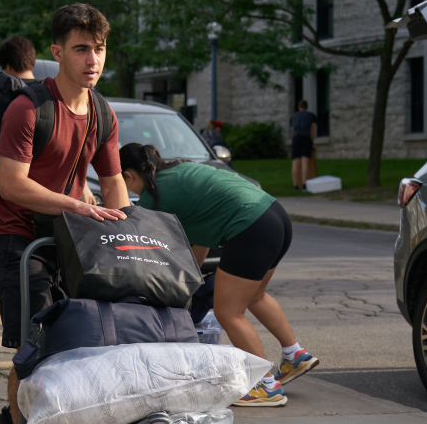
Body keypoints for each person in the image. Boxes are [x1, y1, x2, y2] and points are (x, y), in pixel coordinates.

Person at [0, 4, 131, 424]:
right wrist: (75, 206)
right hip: (16, 239)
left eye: (100, 48)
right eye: (81, 48)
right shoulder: (28, 109)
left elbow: (113, 186)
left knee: (78, 339)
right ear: (57, 52)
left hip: (65, 239)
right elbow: (12, 184)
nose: (93, 59)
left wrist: (129, 236)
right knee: (36, 345)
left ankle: (14, 418)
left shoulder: (102, 111)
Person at [119, 143, 320, 407]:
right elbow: (201, 235)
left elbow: (157, 254)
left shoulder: (152, 198)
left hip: (250, 226)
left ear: (128, 176)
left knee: (228, 312)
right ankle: (295, 354)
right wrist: (192, 278)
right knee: (255, 296)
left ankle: (265, 386)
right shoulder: (181, 168)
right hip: (275, 216)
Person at [290, 101, 316, 191]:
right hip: (306, 137)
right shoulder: (311, 116)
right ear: (307, 107)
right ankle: (304, 184)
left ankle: (295, 185)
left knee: (295, 162)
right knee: (304, 161)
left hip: (296, 138)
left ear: (298, 106)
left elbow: (292, 129)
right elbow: (312, 129)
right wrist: (312, 142)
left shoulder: (293, 116)